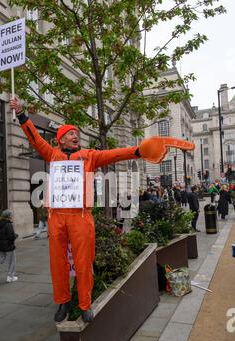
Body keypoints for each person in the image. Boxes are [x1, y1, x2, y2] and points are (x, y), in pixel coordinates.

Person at [10, 97, 194, 323]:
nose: (75, 135)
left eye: (77, 133)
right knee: (57, 263)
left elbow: (114, 154)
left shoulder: (89, 156)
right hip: (56, 216)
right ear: (60, 139)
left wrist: (138, 150)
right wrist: (21, 115)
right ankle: (63, 302)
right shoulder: (52, 154)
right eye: (70, 133)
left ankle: (85, 304)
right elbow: (34, 138)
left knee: (84, 262)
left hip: (80, 216)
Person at [0, 210, 18, 285]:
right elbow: (11, 236)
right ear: (9, 216)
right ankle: (10, 276)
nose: (12, 216)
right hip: (8, 245)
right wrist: (15, 236)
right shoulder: (8, 224)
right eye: (11, 215)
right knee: (12, 261)